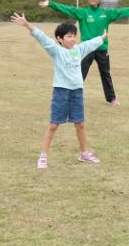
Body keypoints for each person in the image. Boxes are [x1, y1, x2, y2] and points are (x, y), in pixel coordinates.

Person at [12, 12, 107, 168]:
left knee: (80, 124)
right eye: (69, 36)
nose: (73, 39)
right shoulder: (56, 51)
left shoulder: (78, 50)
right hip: (61, 92)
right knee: (54, 125)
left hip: (77, 92)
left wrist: (103, 36)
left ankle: (84, 154)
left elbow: (90, 44)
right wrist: (26, 24)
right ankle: (43, 156)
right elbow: (42, 37)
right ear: (60, 39)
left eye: (74, 36)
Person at [39, 0, 129, 105]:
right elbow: (67, 9)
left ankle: (111, 98)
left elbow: (123, 11)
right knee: (79, 73)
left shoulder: (106, 13)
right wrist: (51, 4)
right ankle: (71, 96)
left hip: (102, 48)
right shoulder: (83, 13)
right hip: (87, 49)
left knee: (105, 73)